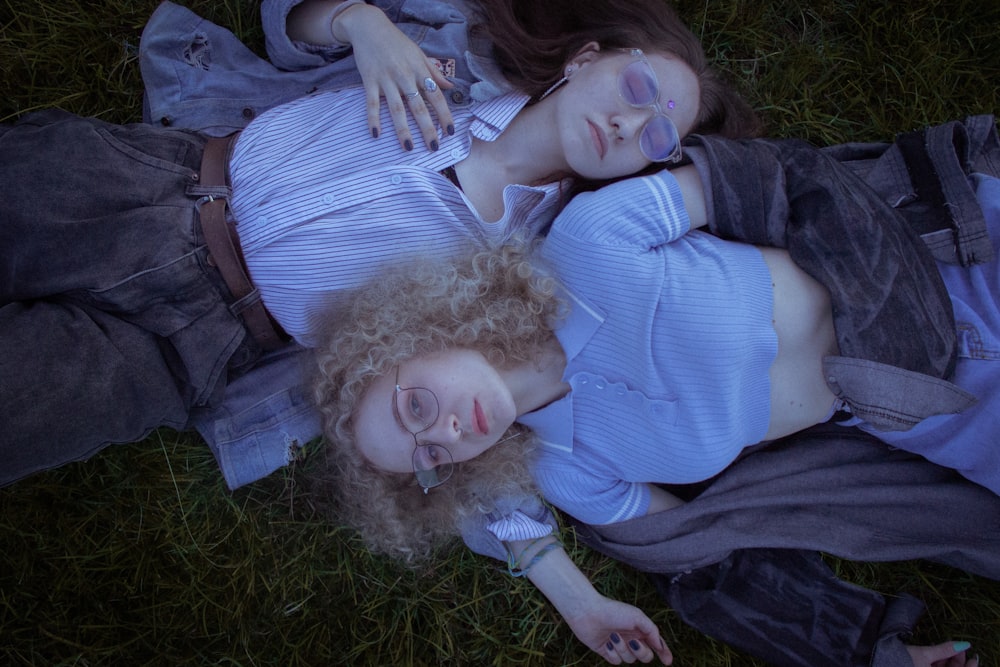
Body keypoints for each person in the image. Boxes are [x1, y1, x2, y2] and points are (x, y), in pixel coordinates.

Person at [312, 119, 1000, 665]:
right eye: (430, 455)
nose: (449, 435)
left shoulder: (586, 246)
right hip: (933, 412)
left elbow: (770, 177)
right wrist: (857, 645)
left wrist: (904, 312)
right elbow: (711, 553)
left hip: (947, 268)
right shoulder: (569, 470)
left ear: (420, 334)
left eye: (417, 407)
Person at [0, 0, 759, 488]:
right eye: (635, 90)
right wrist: (363, 27)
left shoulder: (531, 269)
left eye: (656, 134)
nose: (631, 125)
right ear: (586, 59)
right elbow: (289, 22)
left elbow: (496, 434)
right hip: (147, 185)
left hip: (186, 341)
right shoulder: (453, 50)